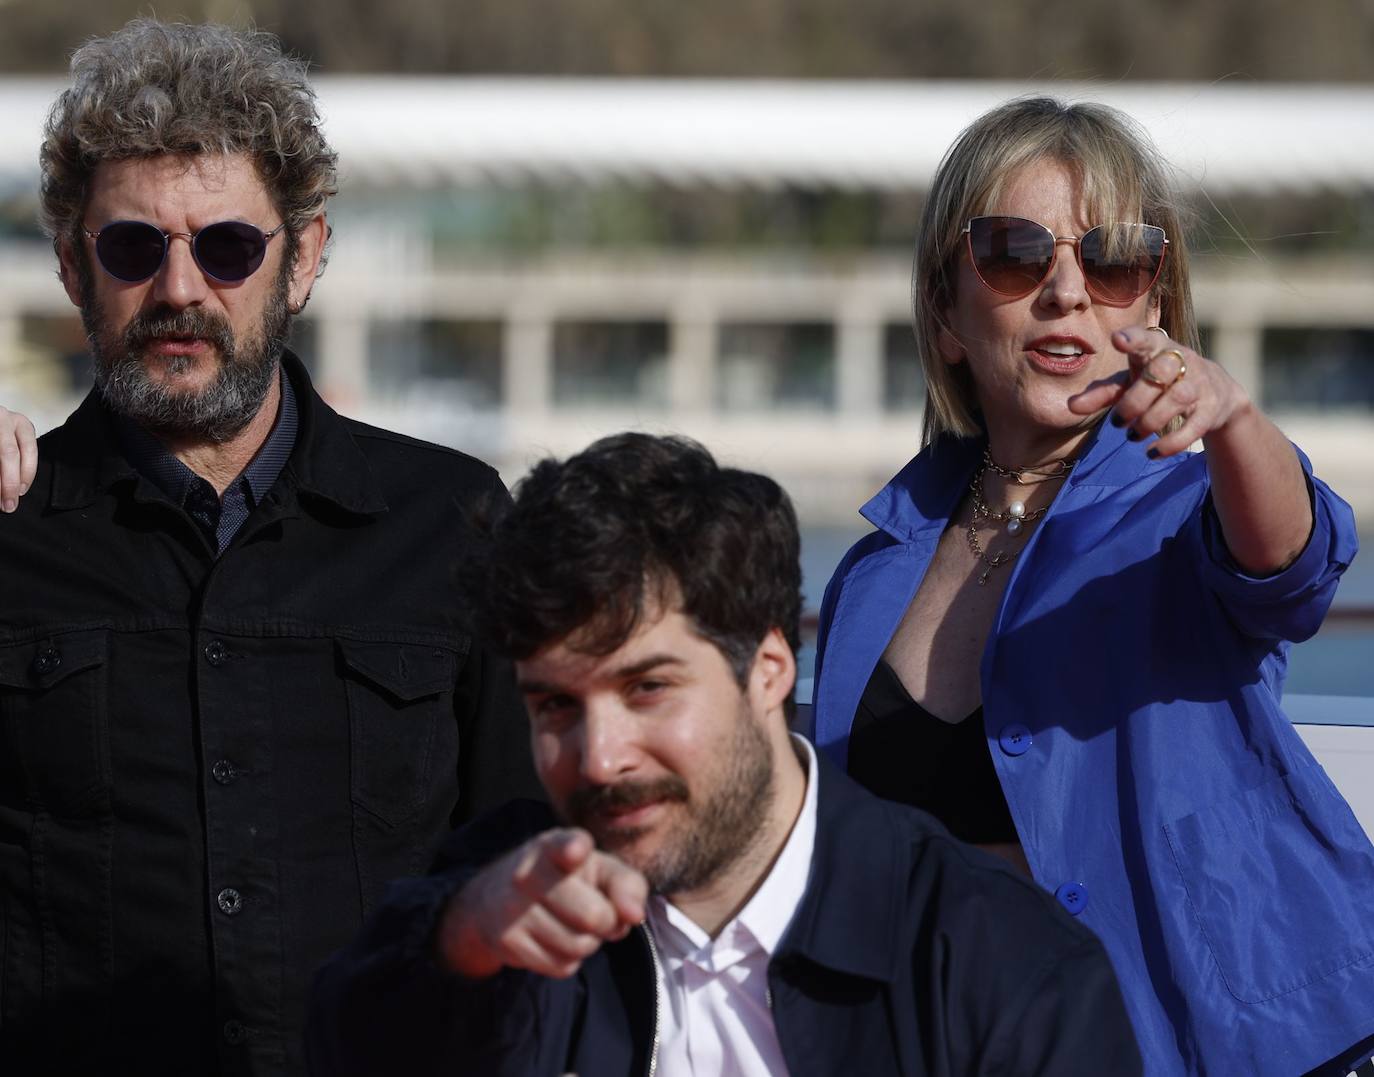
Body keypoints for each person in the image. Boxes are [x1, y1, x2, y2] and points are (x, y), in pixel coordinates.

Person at [0, 20, 538, 1076]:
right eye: (132, 246)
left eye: (229, 246)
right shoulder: (7, 532)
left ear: (306, 257)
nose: (182, 288)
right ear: (72, 264)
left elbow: (527, 863)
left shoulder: (455, 520)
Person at [811, 96, 1374, 1076]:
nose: (1068, 291)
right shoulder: (874, 569)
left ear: (1153, 304)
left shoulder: (1193, 495)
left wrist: (1234, 419)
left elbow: (1295, 564)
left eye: (1114, 259)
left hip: (1244, 1050)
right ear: (945, 312)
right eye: (1016, 253)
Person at [305, 432, 1143, 1076]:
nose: (600, 758)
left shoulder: (1006, 966)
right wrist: (457, 945)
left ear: (769, 667)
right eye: (555, 704)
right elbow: (340, 1040)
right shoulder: (502, 901)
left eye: (648, 689)